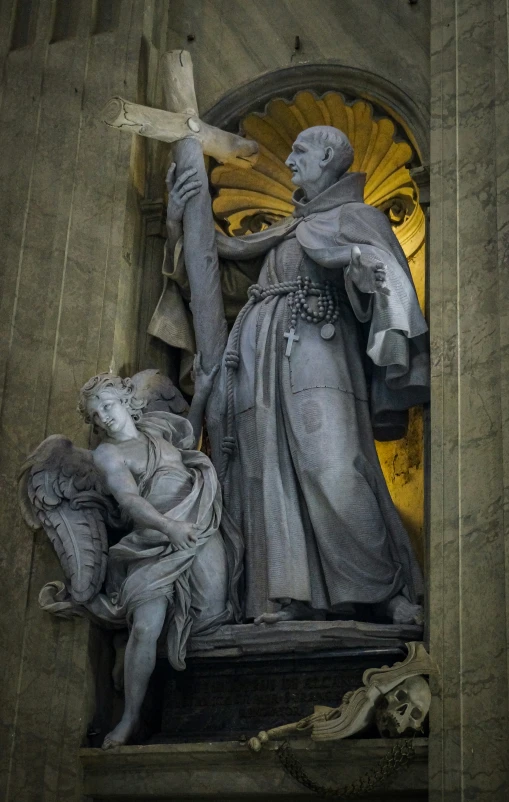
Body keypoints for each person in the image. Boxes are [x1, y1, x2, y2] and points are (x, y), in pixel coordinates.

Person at [164, 126, 429, 627]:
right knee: (267, 474)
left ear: (329, 155)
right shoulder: (284, 232)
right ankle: (289, 594)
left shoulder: (356, 218)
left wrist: (361, 272)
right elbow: (214, 288)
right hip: (257, 368)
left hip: (319, 358)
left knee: (334, 467)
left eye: (299, 151)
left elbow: (381, 279)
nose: (287, 160)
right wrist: (180, 225)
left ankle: (384, 592)